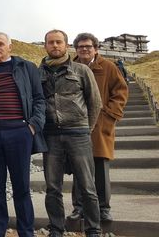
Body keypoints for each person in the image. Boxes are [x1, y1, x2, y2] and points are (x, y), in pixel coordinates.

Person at [0, 32, 46, 237]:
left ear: (10, 47)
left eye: (1, 44)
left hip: (20, 132)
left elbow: (39, 99)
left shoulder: (26, 67)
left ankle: (26, 232)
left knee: (21, 186)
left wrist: (33, 126)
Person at [39, 30, 102, 237]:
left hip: (78, 134)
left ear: (66, 45)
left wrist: (86, 129)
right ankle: (56, 228)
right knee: (53, 188)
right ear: (45, 46)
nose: (55, 45)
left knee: (87, 186)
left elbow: (95, 103)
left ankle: (93, 229)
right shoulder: (38, 72)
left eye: (59, 42)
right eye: (51, 42)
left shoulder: (82, 70)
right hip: (51, 136)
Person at [67, 33, 128, 222]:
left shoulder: (108, 67)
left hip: (100, 125)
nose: (84, 49)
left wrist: (109, 116)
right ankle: (79, 208)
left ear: (95, 48)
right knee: (79, 169)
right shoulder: (70, 66)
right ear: (75, 49)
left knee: (100, 169)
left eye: (88, 46)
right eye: (80, 47)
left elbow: (121, 92)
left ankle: (103, 208)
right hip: (76, 126)